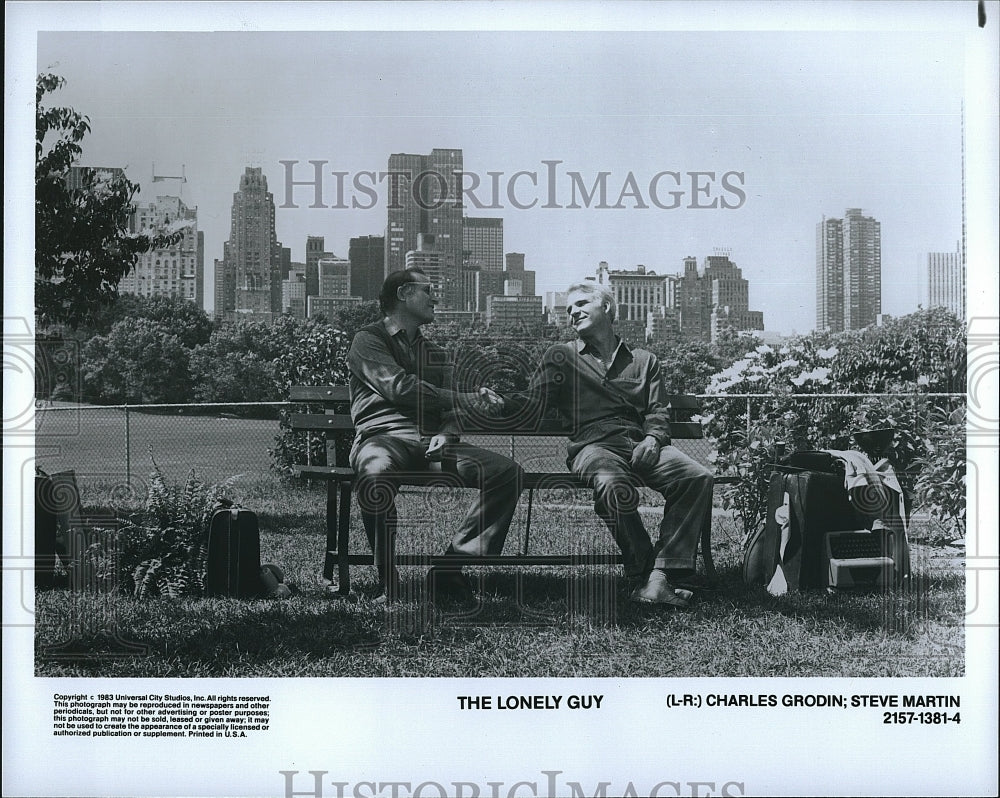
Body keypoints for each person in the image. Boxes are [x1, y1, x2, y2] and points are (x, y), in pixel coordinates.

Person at [501, 281, 713, 607]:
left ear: (608, 309)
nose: (573, 312)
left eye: (582, 303)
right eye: (569, 309)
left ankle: (660, 577)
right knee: (612, 482)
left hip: (641, 442)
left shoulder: (644, 360)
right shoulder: (561, 357)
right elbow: (533, 401)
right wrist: (488, 401)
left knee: (696, 477)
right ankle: (650, 576)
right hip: (593, 445)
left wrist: (655, 439)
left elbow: (658, 411)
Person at [347, 268, 523, 602]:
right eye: (428, 290)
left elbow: (452, 411)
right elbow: (399, 388)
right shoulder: (367, 340)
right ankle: (389, 581)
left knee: (507, 473)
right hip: (382, 439)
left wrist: (449, 432)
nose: (435, 297)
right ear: (402, 294)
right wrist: (467, 398)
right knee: (374, 475)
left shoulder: (436, 353)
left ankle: (449, 570)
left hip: (431, 446)